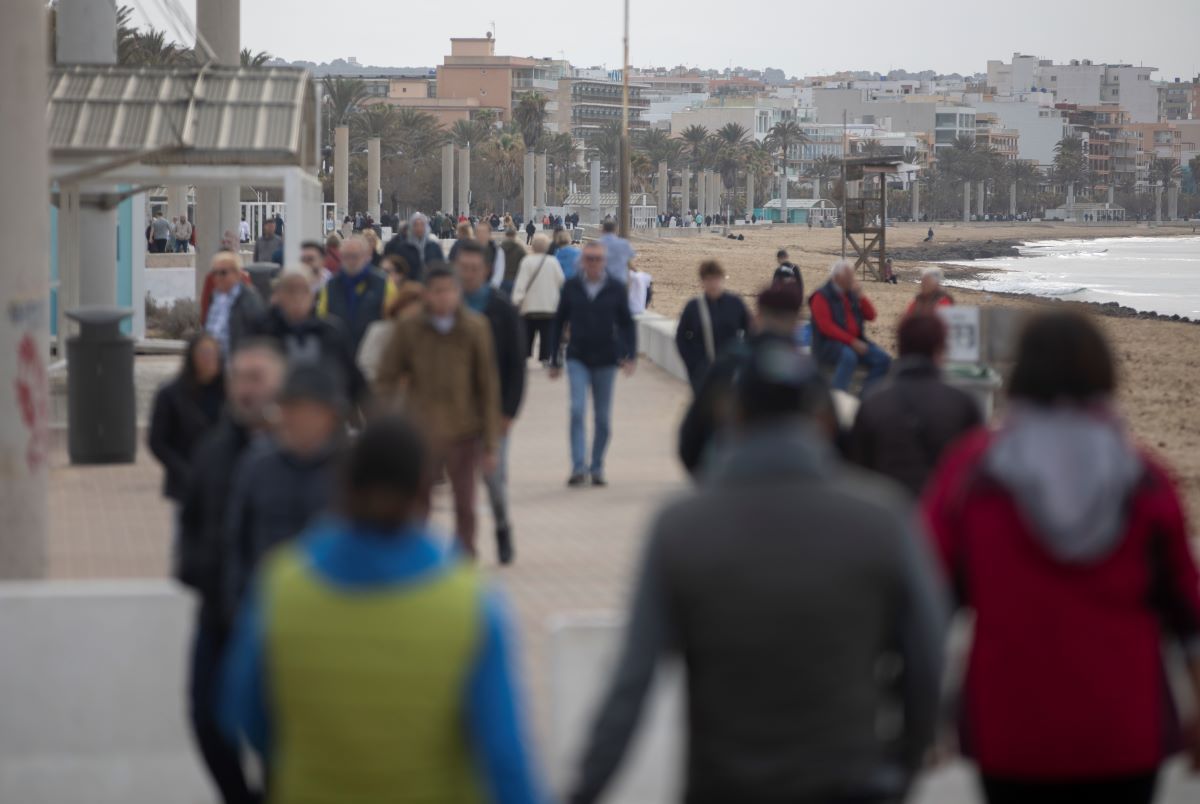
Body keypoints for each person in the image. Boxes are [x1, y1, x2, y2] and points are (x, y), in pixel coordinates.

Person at [570, 338, 947, 804]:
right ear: (824, 420)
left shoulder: (682, 527)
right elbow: (929, 659)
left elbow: (631, 686)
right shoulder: (883, 519)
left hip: (724, 785)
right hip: (851, 780)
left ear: (736, 419)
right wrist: (901, 765)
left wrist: (583, 790)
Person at [922, 311, 1200, 804]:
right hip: (1124, 732)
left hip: (1009, 729)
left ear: (1021, 373)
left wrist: (920, 713)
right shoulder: (1145, 479)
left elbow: (926, 600)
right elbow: (1189, 612)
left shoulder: (972, 472)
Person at [219, 416, 547, 803]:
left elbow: (240, 710)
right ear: (425, 495)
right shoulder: (469, 602)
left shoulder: (282, 586)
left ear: (342, 486)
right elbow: (505, 757)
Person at [177, 339, 286, 804]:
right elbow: (191, 524)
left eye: (257, 378)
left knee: (282, 730)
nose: (246, 388)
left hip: (284, 624)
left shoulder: (301, 453)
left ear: (279, 385)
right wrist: (202, 573)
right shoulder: (214, 450)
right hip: (219, 615)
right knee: (207, 720)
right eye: (239, 377)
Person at [375, 265, 501, 557]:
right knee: (418, 502)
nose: (443, 298)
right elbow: (386, 377)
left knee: (465, 504)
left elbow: (488, 386)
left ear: (457, 293)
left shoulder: (475, 327)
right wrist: (387, 426)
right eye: (436, 291)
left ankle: (464, 560)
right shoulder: (409, 328)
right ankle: (416, 560)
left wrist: (491, 443)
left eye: (449, 291)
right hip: (421, 431)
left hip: (464, 429)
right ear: (426, 295)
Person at [223, 364, 346, 622]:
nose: (291, 419)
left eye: (302, 410)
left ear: (329, 415)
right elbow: (236, 542)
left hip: (332, 613)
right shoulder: (258, 467)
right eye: (286, 408)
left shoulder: (349, 473)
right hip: (267, 608)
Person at [678, 282, 808, 477]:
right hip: (797, 484)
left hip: (730, 480)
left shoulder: (730, 364)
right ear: (797, 324)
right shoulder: (808, 373)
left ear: (757, 318)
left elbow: (691, 438)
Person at [850, 313, 982, 497]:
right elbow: (975, 476)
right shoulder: (962, 404)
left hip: (887, 511)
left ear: (901, 347)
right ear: (940, 349)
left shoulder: (873, 403)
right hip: (940, 515)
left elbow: (859, 472)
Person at [458, 240, 526, 564]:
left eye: (474, 269)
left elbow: (517, 365)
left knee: (493, 478)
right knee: (460, 482)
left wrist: (509, 412)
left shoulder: (501, 309)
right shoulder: (448, 305)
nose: (468, 274)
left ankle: (502, 526)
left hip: (493, 409)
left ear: (485, 270)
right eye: (463, 268)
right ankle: (464, 545)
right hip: (454, 409)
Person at [548, 241, 637, 487]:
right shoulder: (572, 287)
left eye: (598, 259)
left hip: (607, 359)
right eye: (589, 258)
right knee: (577, 410)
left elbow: (627, 323)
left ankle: (596, 466)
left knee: (603, 419)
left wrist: (630, 355)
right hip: (577, 356)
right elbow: (558, 322)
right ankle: (578, 466)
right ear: (582, 261)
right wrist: (554, 358)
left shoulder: (616, 289)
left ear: (605, 261)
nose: (594, 263)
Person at [258, 269, 368, 413]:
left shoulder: (331, 331)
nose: (297, 297)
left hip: (325, 412)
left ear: (313, 295)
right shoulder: (263, 332)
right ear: (278, 295)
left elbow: (354, 380)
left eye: (304, 290)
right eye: (290, 290)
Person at [148, 333, 225, 519]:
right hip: (186, 485)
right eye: (204, 353)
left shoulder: (229, 393)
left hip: (223, 483)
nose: (209, 359)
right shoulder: (170, 395)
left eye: (214, 353)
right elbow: (157, 442)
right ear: (192, 357)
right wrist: (184, 472)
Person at [809, 258, 891, 394]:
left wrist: (861, 296)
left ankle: (866, 398)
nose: (853, 280)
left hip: (855, 342)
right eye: (849, 276)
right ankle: (837, 398)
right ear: (837, 277)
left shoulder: (851, 294)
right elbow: (826, 327)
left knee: (883, 359)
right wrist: (852, 342)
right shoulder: (821, 296)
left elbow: (871, 315)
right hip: (828, 345)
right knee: (849, 356)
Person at [675, 261, 750, 393]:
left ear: (722, 278)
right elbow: (681, 338)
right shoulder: (693, 307)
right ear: (702, 281)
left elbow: (751, 332)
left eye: (716, 278)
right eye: (709, 279)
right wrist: (692, 365)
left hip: (730, 372)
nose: (713, 284)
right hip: (702, 373)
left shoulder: (735, 304)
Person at [317, 234, 397, 356]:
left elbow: (392, 322)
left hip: (373, 355)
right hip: (339, 356)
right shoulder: (330, 285)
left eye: (354, 256)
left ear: (367, 257)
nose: (350, 261)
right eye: (345, 256)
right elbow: (321, 319)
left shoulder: (384, 284)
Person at [512, 232, 565, 364]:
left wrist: (516, 300)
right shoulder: (553, 262)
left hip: (529, 306)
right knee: (546, 334)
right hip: (548, 306)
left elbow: (521, 284)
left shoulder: (527, 261)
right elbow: (561, 282)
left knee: (528, 332)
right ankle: (545, 357)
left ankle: (525, 355)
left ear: (533, 246)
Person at [203, 251, 265, 358]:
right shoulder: (215, 297)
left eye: (223, 273)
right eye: (215, 273)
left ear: (237, 274)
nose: (218, 277)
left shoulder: (249, 299)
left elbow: (257, 336)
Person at [384, 212, 443, 282]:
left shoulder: (434, 247)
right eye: (416, 225)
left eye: (422, 225)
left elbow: (441, 268)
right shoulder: (403, 248)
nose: (419, 228)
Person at [499, 227, 527, 294]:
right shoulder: (520, 248)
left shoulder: (499, 248)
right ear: (515, 235)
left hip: (501, 279)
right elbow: (525, 263)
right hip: (515, 279)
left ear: (505, 235)